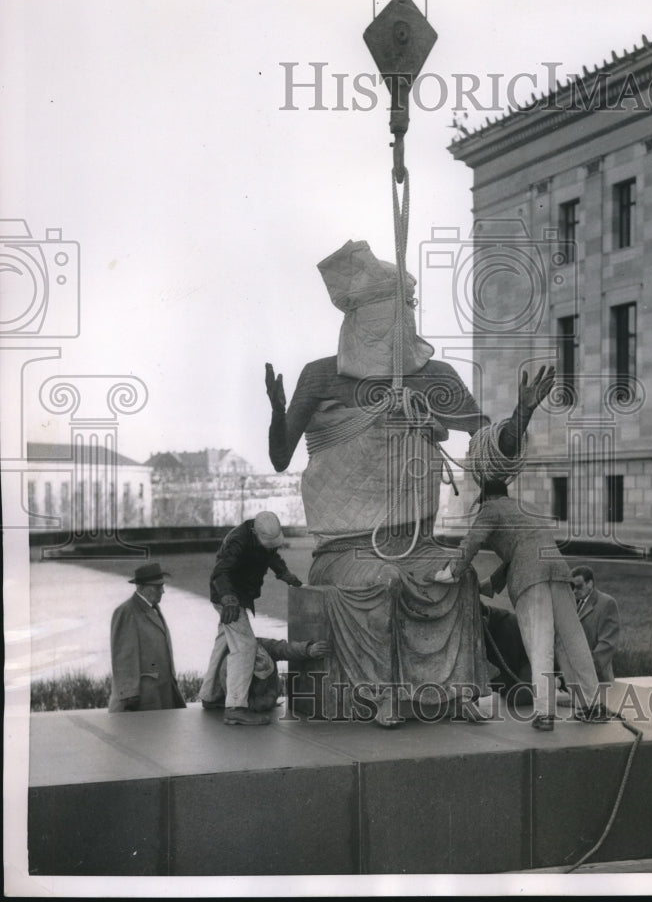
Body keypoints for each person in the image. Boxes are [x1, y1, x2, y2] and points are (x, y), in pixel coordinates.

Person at [265, 239, 555, 726]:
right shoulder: (321, 378)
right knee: (385, 581)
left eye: (399, 314)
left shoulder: (432, 378)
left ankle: (453, 690)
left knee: (455, 576)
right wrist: (278, 412)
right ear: (357, 320)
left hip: (415, 540)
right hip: (348, 549)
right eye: (382, 317)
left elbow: (484, 446)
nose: (391, 329)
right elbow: (279, 456)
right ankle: (385, 695)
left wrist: (519, 421)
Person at [430, 480, 608, 732]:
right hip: (558, 572)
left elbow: (473, 540)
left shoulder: (491, 509)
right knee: (573, 641)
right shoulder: (526, 508)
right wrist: (486, 586)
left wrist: (451, 572)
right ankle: (591, 706)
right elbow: (523, 552)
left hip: (529, 581)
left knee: (539, 645)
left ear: (487, 497)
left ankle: (545, 714)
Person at [198, 511, 303, 726]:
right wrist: (228, 598)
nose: (270, 546)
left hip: (239, 597)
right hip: (229, 599)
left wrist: (284, 574)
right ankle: (235, 707)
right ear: (255, 532)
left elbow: (270, 554)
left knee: (224, 642)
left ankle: (210, 696)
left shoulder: (263, 538)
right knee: (245, 646)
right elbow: (221, 572)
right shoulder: (237, 540)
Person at [108, 563, 186, 713]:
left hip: (160, 693)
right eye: (157, 587)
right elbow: (123, 656)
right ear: (141, 587)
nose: (162, 591)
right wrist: (129, 693)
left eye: (162, 586)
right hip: (144, 697)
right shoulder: (126, 611)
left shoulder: (153, 608)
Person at [204, 635, 330, 724]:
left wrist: (308, 650)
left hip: (264, 694)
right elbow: (250, 704)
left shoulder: (259, 645)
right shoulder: (230, 670)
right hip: (244, 699)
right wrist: (267, 700)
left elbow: (284, 648)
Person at [571, 566, 620, 682]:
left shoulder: (607, 603)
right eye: (572, 587)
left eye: (578, 586)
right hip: (574, 679)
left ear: (590, 584)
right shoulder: (572, 603)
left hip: (597, 679)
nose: (574, 591)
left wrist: (583, 670)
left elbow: (607, 645)